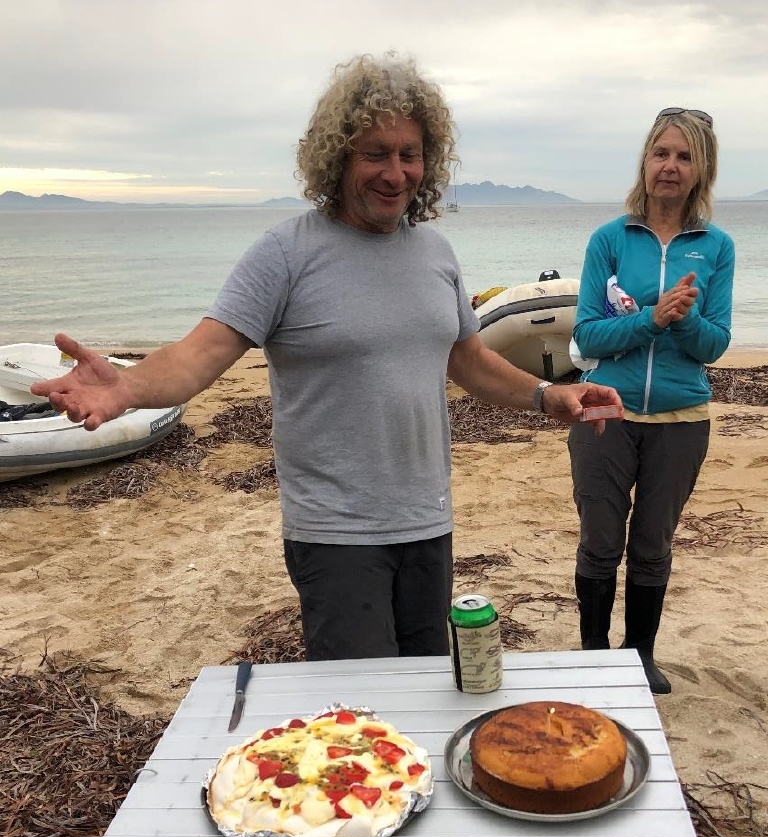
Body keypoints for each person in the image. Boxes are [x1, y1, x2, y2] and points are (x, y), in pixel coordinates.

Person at [32, 53, 622, 662]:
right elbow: (199, 355)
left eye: (409, 154)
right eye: (375, 154)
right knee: (358, 716)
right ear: (337, 157)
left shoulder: (436, 254)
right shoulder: (284, 254)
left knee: (424, 693)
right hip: (336, 533)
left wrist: (550, 396)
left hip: (428, 521)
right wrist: (124, 386)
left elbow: (466, 359)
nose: (396, 173)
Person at [568, 107, 734, 694]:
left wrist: (681, 323)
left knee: (652, 543)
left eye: (684, 156)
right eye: (661, 153)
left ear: (700, 169)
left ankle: (639, 655)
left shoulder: (716, 247)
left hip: (681, 419)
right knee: (600, 539)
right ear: (645, 161)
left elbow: (715, 345)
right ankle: (593, 655)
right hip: (604, 414)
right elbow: (588, 335)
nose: (670, 166)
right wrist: (650, 318)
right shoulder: (610, 240)